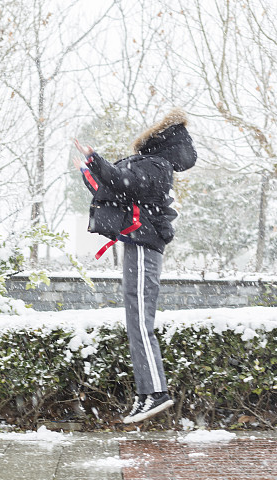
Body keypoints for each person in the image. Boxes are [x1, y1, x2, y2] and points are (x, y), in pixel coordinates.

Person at [73, 108, 196, 424]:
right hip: (135, 246)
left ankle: (156, 392)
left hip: (143, 246)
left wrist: (96, 160)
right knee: (135, 322)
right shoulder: (152, 166)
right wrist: (89, 171)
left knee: (141, 321)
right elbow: (113, 192)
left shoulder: (156, 166)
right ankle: (146, 393)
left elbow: (122, 180)